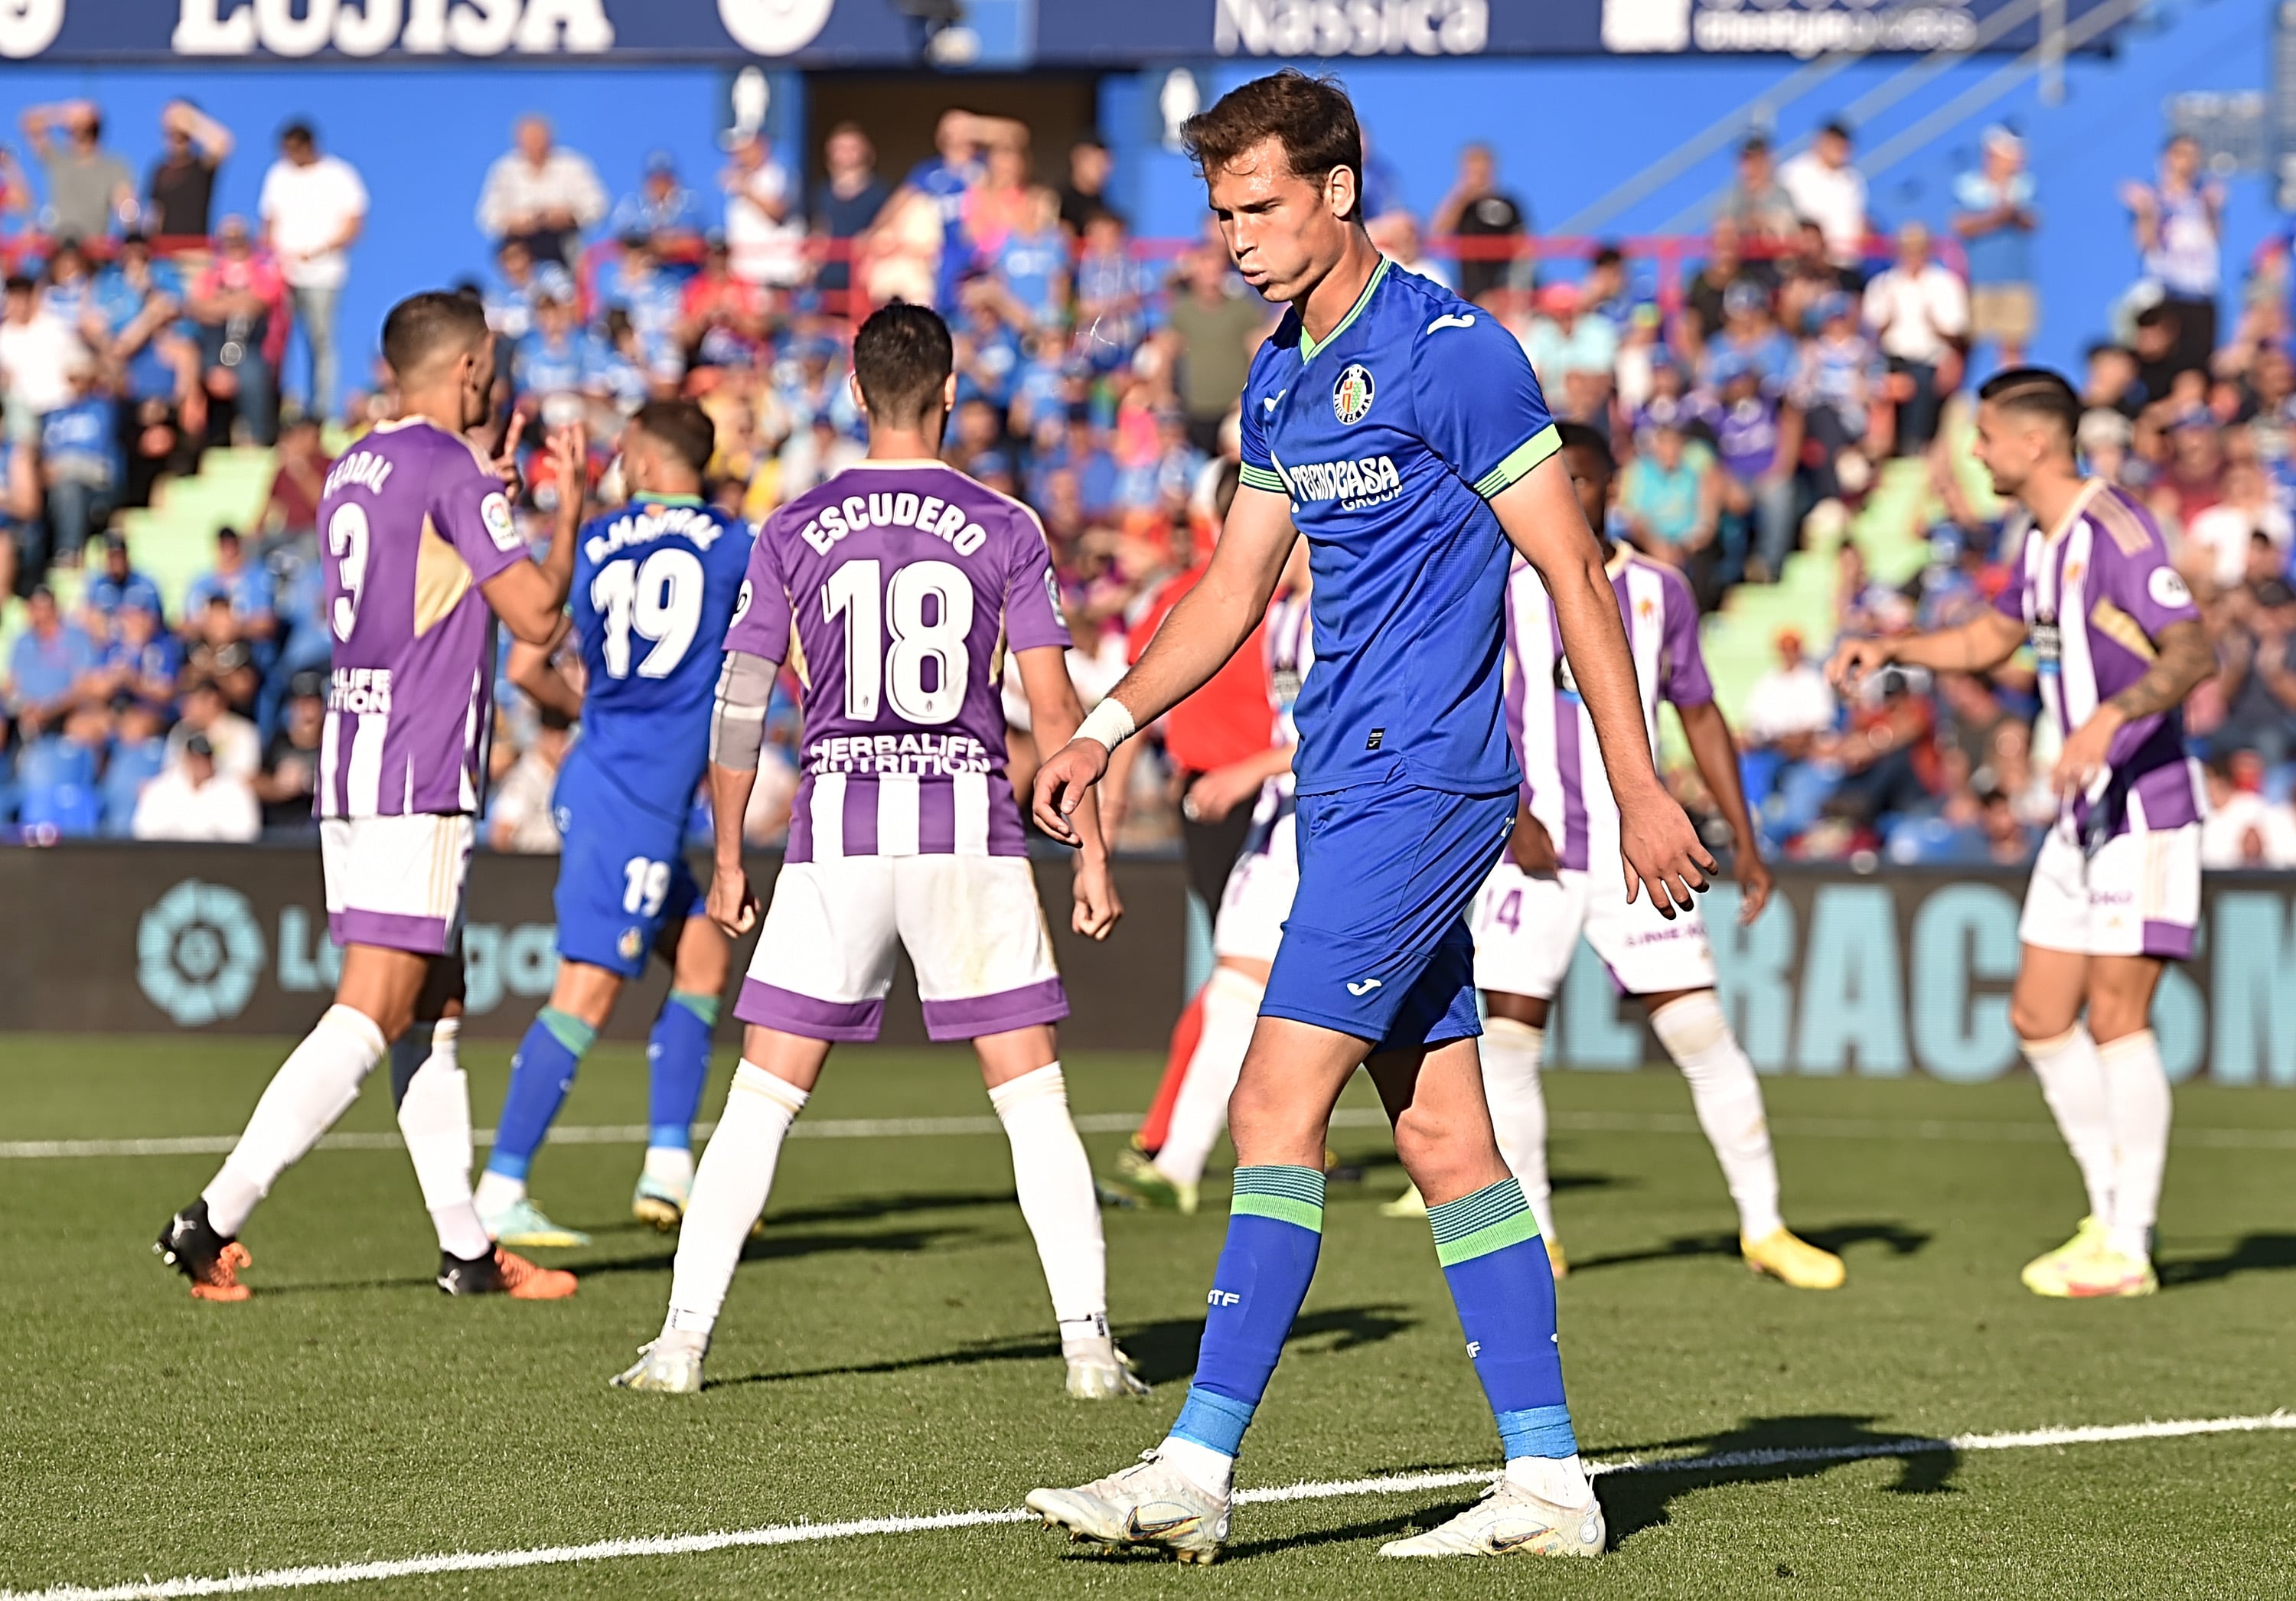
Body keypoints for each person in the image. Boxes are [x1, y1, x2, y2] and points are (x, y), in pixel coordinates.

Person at [1024, 70, 1713, 1564]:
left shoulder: (1458, 356)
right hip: (1342, 783)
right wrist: (1099, 725)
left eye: (1259, 206)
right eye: (1217, 214)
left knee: (1273, 1109)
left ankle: (1193, 1465)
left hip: (1426, 781)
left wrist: (1640, 778)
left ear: (1338, 191)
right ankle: (1548, 1477)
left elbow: (1577, 575)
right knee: (1449, 1136)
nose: (1235, 238)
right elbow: (1228, 588)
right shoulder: (1278, 372)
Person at [608, 302, 1136, 1404]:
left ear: (855, 396)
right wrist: (1088, 850)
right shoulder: (1007, 524)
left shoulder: (793, 524)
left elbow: (742, 704)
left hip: (837, 824)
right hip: (968, 825)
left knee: (760, 1100)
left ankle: (680, 1346)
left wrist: (731, 860)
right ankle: (1088, 1350)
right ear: (949, 397)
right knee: (1034, 1102)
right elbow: (1054, 709)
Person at [154, 289, 583, 1305]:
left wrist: (491, 499)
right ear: (471, 368)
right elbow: (534, 618)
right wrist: (566, 517)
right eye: (489, 362)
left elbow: (431, 558)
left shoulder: (359, 461)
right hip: (419, 763)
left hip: (358, 755)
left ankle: (467, 1250)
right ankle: (211, 1219)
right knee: (375, 1007)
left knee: (433, 1005)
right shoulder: (445, 467)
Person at [1378, 423, 1839, 1289]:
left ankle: (1766, 1226)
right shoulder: (1501, 582)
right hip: (1533, 853)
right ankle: (1540, 1234)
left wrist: (1742, 832)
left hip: (1639, 851)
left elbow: (1699, 711)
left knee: (1701, 1032)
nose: (1571, 495)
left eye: (1583, 480)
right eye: (1557, 479)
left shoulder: (1661, 591)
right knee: (1509, 1043)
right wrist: (1510, 811)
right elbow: (1462, 709)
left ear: (1610, 486)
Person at [1828, 368, 2214, 1299]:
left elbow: (2194, 649)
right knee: (2040, 1017)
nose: (1977, 450)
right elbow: (1993, 637)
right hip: (2081, 821)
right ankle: (2108, 1209)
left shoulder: (2115, 530)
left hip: (2144, 810)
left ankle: (2130, 1240)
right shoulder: (2040, 540)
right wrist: (1897, 648)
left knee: (2117, 1019)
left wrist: (2107, 718)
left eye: (1988, 434)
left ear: (2034, 442)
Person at [473, 400, 750, 1248]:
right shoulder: (738, 544)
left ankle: (669, 1167)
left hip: (614, 776)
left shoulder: (595, 541)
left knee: (702, 951)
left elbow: (525, 665)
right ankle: (500, 1187)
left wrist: (595, 706)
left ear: (640, 457)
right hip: (636, 799)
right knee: (586, 989)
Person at [1103, 542, 1311, 1215]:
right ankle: (1180, 1161)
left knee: (1394, 1007)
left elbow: (1366, 729)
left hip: (1347, 820)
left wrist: (1250, 769)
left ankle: (1471, 1163)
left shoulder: (1353, 606)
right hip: (1280, 817)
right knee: (1236, 983)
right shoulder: (1280, 615)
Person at [258, 123, 367, 426]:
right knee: (274, 342)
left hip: (323, 275)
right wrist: (268, 258)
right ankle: (273, 409)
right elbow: (268, 222)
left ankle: (319, 411)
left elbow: (354, 224)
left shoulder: (339, 175)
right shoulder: (279, 176)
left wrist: (318, 250)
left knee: (320, 342)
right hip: (282, 275)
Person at [2122, 134, 2223, 381]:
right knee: (2158, 366)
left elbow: (2214, 238)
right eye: (2181, 154)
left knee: (2196, 367)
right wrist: (2147, 212)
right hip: (2165, 293)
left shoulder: (2202, 199)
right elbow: (2146, 243)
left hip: (2200, 293)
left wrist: (2212, 208)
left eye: (2192, 156)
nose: (2187, 162)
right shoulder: (2152, 197)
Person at [1863, 221, 1967, 456]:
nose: (1912, 255)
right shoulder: (1883, 284)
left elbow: (1957, 332)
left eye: (1918, 249)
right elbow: (1870, 332)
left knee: (1920, 384)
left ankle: (1914, 447)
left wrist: (1936, 326)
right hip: (1888, 359)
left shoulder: (1945, 284)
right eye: (1907, 249)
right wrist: (1885, 323)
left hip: (1930, 361)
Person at [1952, 126, 2039, 368]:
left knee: (2012, 346)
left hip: (2015, 279)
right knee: (1969, 346)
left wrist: (2010, 210)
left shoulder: (2024, 186)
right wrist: (1998, 216)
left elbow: (2032, 222)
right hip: (1978, 280)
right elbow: (1960, 224)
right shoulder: (1967, 186)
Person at [476, 116, 605, 268]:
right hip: (521, 248)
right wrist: (513, 222)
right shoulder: (504, 170)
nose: (535, 146)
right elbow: (487, 216)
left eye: (539, 140)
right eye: (529, 140)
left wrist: (571, 216)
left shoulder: (571, 164)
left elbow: (598, 205)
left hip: (564, 243)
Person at [20, 101, 135, 240]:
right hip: (59, 249)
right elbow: (30, 122)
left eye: (75, 130)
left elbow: (126, 208)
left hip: (92, 251)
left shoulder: (113, 167)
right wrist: (63, 113)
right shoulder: (58, 160)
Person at [132, 731, 259, 843]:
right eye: (195, 758)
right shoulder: (160, 790)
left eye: (205, 758)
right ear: (185, 758)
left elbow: (246, 835)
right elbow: (143, 831)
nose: (201, 764)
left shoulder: (234, 791)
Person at [810, 123, 890, 301]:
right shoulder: (822, 192)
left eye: (852, 148)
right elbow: (820, 228)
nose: (846, 154)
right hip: (827, 281)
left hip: (865, 282)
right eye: (840, 148)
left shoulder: (880, 193)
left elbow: (887, 232)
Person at [1779, 119, 1868, 276]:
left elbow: (1857, 221)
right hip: (1805, 265)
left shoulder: (1852, 179)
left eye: (1844, 145)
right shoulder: (1794, 173)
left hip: (1845, 265)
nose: (1840, 149)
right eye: (1835, 143)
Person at [145, 99, 233, 240]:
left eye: (182, 136)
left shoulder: (201, 166)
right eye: (170, 135)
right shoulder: (160, 171)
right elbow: (155, 215)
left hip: (195, 252)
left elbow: (223, 143)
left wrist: (190, 120)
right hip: (165, 254)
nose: (175, 140)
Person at [607, 150, 703, 256]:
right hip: (646, 266)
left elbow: (697, 242)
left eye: (665, 179)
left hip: (683, 268)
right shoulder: (633, 205)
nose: (660, 185)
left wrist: (665, 244)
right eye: (656, 179)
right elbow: (621, 240)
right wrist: (653, 242)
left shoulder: (689, 203)